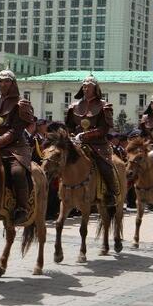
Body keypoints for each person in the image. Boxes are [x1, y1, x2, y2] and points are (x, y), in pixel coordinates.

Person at [0, 69, 35, 225]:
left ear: (13, 83)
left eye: (6, 81)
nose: (3, 84)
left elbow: (16, 131)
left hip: (15, 148)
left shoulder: (20, 104)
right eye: (0, 81)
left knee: (17, 172)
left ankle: (22, 208)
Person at [66, 74, 117, 208]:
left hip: (97, 144)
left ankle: (111, 194)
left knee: (105, 167)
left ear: (95, 89)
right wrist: (71, 135)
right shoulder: (74, 106)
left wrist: (84, 136)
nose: (85, 89)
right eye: (84, 86)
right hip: (76, 142)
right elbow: (70, 126)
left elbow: (104, 130)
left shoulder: (104, 106)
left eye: (88, 87)